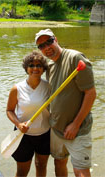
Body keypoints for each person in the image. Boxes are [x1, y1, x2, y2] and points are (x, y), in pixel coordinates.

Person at [35, 29, 96, 177]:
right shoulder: (50, 66)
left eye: (49, 42)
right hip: (57, 128)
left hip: (78, 130)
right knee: (59, 162)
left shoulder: (75, 58)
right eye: (41, 46)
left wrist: (75, 124)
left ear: (56, 39)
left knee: (80, 170)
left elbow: (91, 93)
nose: (46, 48)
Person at [6, 51, 50, 177]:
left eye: (39, 65)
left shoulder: (49, 87)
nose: (35, 68)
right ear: (26, 68)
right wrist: (18, 124)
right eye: (31, 65)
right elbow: (9, 110)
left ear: (43, 69)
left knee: (41, 166)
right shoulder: (17, 88)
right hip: (23, 136)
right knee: (22, 171)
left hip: (44, 134)